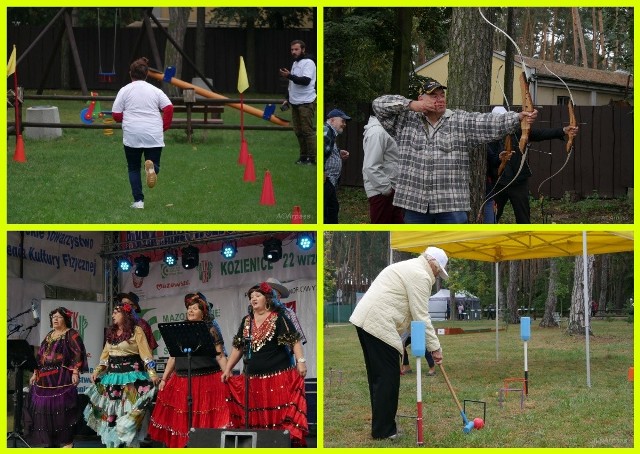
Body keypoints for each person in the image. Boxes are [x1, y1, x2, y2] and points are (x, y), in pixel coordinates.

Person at [373, 78, 538, 223]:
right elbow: (378, 105)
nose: (439, 99)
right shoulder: (405, 122)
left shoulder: (459, 120)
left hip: (451, 206)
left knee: (452, 253)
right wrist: (411, 105)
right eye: (433, 96)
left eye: (442, 95)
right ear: (421, 99)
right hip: (415, 205)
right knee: (421, 251)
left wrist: (518, 118)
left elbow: (488, 122)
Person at [349, 246, 448, 440]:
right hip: (378, 324)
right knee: (387, 378)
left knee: (380, 378)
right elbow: (421, 316)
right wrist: (435, 348)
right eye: (438, 271)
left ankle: (381, 428)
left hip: (367, 321)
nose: (437, 276)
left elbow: (413, 316)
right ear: (432, 264)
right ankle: (385, 431)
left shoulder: (410, 267)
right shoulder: (421, 275)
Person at [222, 282, 308, 447]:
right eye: (251, 296)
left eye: (258, 295)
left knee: (279, 419)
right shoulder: (246, 322)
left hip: (278, 379)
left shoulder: (279, 317)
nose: (253, 298)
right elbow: (238, 348)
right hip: (252, 381)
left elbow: (295, 340)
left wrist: (301, 362)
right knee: (255, 420)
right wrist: (227, 369)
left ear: (267, 299)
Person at [148, 292, 228, 448]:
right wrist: (164, 379)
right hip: (182, 379)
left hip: (207, 379)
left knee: (205, 420)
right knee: (182, 420)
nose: (190, 311)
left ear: (203, 311)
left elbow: (220, 355)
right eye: (189, 308)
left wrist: (227, 374)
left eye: (195, 308)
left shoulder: (210, 329)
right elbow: (173, 357)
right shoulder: (180, 329)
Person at [485, 106, 579, 223]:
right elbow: (490, 159)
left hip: (518, 181)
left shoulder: (518, 131)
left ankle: (526, 238)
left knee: (523, 219)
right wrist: (499, 159)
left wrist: (563, 130)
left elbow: (540, 133)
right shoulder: (487, 136)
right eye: (499, 119)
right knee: (492, 219)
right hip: (497, 183)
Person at [84, 302, 159, 447]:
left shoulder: (136, 331)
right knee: (112, 411)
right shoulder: (111, 333)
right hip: (113, 378)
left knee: (129, 412)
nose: (112, 315)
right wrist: (97, 370)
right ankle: (114, 445)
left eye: (116, 312)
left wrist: (152, 373)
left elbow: (146, 355)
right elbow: (105, 357)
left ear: (125, 314)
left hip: (132, 377)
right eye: (113, 312)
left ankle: (130, 445)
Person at [111, 57, 174, 209]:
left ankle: (138, 202)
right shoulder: (156, 91)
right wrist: (163, 127)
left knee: (133, 167)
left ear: (130, 73)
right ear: (146, 75)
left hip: (132, 133)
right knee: (155, 163)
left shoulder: (125, 90)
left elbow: (116, 115)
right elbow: (169, 108)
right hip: (153, 133)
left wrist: (129, 118)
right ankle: (152, 169)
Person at [28, 307, 88, 448]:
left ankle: (66, 443)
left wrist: (75, 372)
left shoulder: (71, 334)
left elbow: (78, 353)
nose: (55, 319)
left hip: (61, 377)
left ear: (65, 319)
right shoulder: (49, 335)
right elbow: (41, 355)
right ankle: (50, 443)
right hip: (44, 378)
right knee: (44, 409)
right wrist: (35, 372)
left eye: (58, 317)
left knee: (61, 410)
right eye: (53, 317)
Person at [279, 40, 317, 165]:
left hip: (306, 101)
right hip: (295, 101)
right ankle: (303, 156)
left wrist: (289, 76)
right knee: (298, 131)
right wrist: (287, 99)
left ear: (303, 49)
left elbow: (305, 81)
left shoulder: (309, 63)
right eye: (292, 50)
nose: (293, 52)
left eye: (296, 49)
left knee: (307, 131)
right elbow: (292, 85)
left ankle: (312, 158)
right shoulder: (295, 63)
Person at [362, 113, 404, 223]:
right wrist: (387, 190)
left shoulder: (384, 131)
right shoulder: (377, 132)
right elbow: (371, 166)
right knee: (382, 231)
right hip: (382, 192)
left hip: (390, 190)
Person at [324, 108, 351, 223]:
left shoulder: (330, 132)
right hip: (325, 179)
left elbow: (327, 149)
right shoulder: (326, 131)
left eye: (345, 122)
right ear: (332, 120)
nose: (344, 124)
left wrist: (337, 152)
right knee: (327, 212)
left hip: (330, 180)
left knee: (332, 208)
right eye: (342, 121)